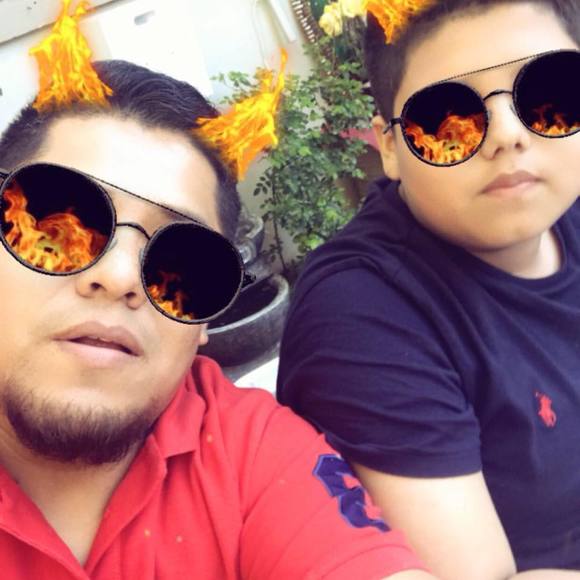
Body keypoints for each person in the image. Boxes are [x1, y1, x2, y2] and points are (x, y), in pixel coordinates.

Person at [0, 52, 436, 579]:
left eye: (183, 260)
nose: (119, 277)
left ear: (204, 323)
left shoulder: (253, 455)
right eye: (56, 225)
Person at [277, 1, 580, 579]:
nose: (508, 135)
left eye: (548, 91)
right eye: (446, 118)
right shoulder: (362, 315)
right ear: (389, 146)